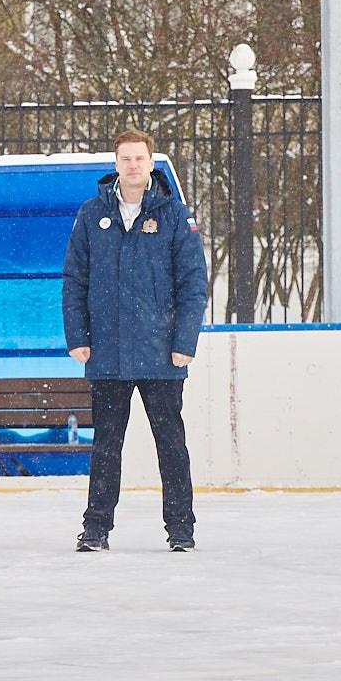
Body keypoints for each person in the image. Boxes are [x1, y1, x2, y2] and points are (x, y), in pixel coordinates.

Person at [62, 130, 210, 553]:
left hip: (162, 354)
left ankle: (181, 529)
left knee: (171, 445)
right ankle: (96, 529)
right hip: (107, 354)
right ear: (115, 164)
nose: (132, 166)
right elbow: (74, 280)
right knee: (107, 445)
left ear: (151, 164)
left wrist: (184, 342)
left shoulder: (175, 215)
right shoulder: (92, 215)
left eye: (139, 158)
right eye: (125, 158)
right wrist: (79, 337)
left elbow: (193, 284)